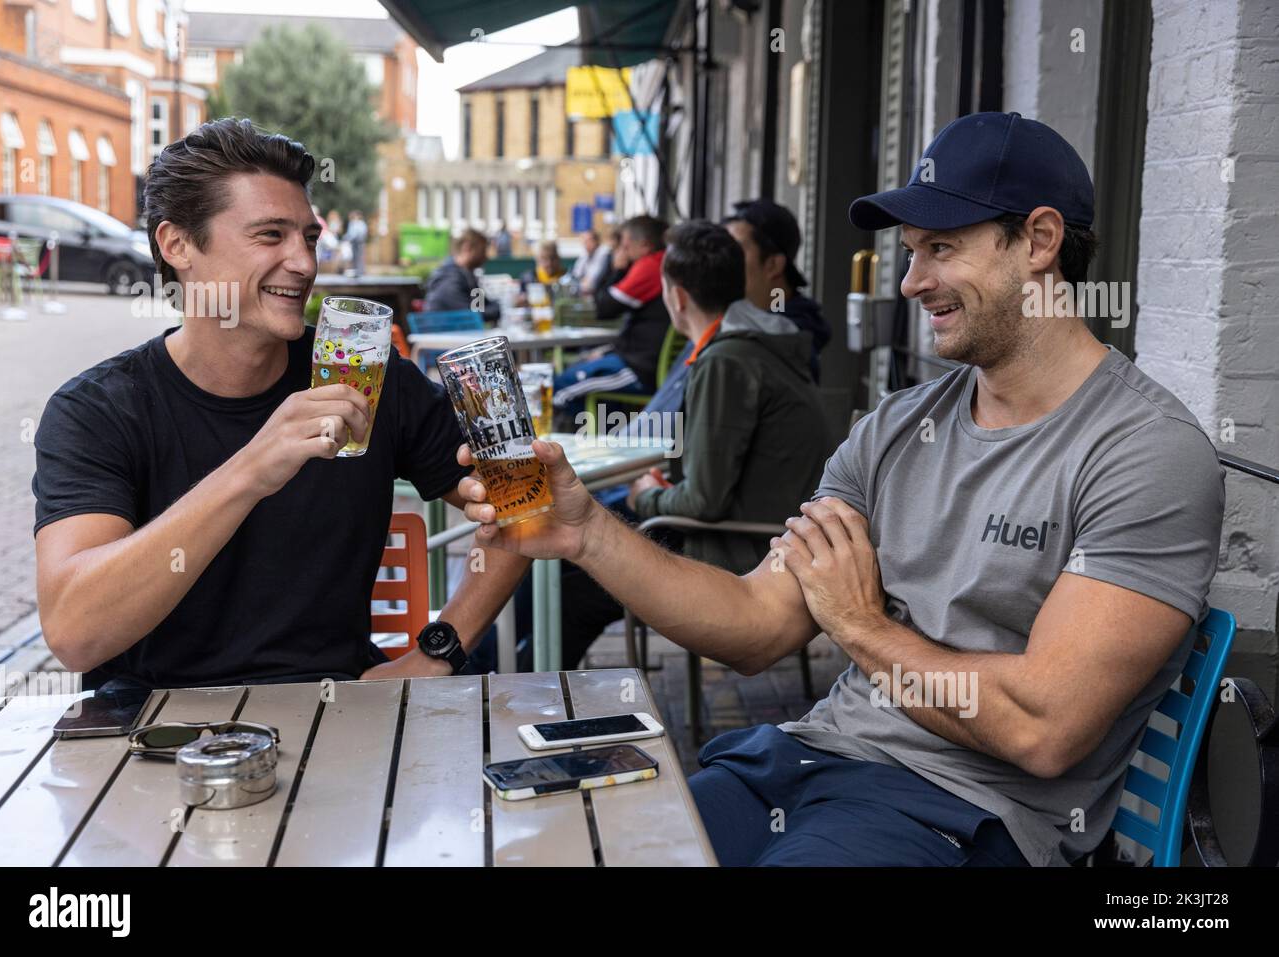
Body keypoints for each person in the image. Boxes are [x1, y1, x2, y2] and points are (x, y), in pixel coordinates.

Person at [452, 111, 1225, 867]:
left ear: (1041, 242)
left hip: (955, 813)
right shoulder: (898, 427)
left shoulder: (1143, 452)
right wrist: (588, 530)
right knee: (585, 847)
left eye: (941, 249)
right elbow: (757, 624)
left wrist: (860, 625)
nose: (912, 280)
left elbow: (1043, 727)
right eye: (911, 252)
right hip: (802, 764)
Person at [31, 118, 532, 691]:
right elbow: (73, 633)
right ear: (177, 245)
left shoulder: (365, 378)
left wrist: (439, 650)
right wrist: (252, 469)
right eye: (271, 235)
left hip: (337, 712)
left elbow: (522, 493)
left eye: (309, 237)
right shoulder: (98, 409)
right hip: (153, 730)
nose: (304, 262)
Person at [545, 220, 829, 670]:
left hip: (737, 550)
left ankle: (518, 688)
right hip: (773, 533)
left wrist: (648, 494)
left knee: (567, 582)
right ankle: (508, 679)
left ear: (676, 296)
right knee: (564, 569)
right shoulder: (764, 341)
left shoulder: (726, 361)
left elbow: (703, 500)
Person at [551, 215, 670, 423]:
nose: (621, 252)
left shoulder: (650, 266)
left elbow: (604, 307)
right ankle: (606, 437)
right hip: (642, 358)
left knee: (558, 389)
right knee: (586, 372)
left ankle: (585, 445)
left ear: (643, 245)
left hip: (640, 368)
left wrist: (618, 269)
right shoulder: (663, 262)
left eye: (625, 246)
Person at [722, 199, 831, 382]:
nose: (722, 260)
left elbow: (776, 319)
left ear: (773, 265)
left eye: (735, 250)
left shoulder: (785, 339)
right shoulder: (775, 306)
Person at [422, 228, 501, 321]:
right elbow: (470, 316)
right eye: (482, 251)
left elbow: (481, 305)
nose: (485, 257)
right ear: (467, 248)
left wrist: (495, 308)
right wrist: (497, 310)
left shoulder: (467, 276)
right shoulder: (449, 279)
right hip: (447, 333)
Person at [569, 229, 611, 295]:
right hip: (586, 293)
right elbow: (576, 274)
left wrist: (583, 280)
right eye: (584, 241)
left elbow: (593, 281)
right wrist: (583, 280)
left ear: (596, 241)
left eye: (589, 240)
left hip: (600, 294)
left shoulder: (603, 253)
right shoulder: (586, 253)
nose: (586, 244)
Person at [343, 210, 368, 277]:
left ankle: (360, 271)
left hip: (359, 242)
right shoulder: (352, 223)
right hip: (353, 242)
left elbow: (362, 233)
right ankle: (356, 271)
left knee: (360, 256)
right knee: (354, 257)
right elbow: (350, 233)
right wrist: (346, 238)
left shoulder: (361, 223)